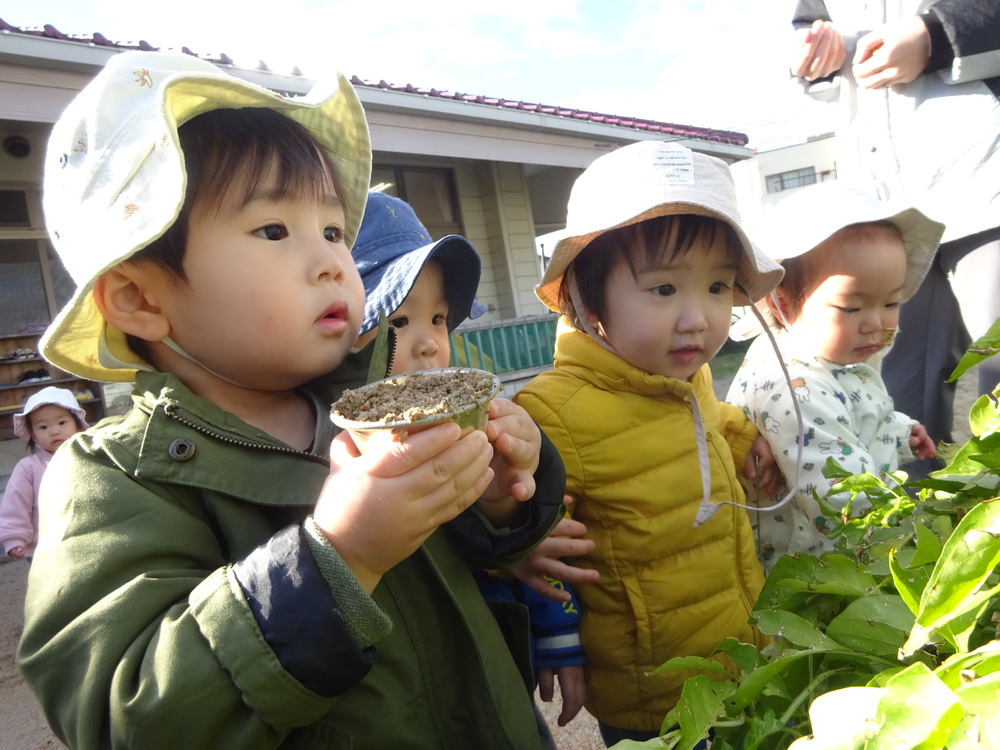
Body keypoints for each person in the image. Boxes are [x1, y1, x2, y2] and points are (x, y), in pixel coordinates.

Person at [16, 50, 567, 750]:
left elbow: (476, 555)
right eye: (274, 230)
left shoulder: (373, 403)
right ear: (139, 298)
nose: (335, 260)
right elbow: (126, 713)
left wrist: (495, 497)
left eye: (334, 230)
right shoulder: (116, 477)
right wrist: (338, 557)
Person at [513, 139, 784, 746]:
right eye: (664, 290)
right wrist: (547, 615)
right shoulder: (552, 413)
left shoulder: (689, 376)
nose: (698, 318)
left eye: (718, 288)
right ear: (587, 297)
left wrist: (744, 440)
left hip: (739, 643)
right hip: (652, 688)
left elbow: (709, 418)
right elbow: (519, 530)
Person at [350, 190, 586, 739]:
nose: (431, 343)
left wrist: (504, 495)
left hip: (489, 688)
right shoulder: (330, 444)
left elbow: (492, 540)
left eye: (438, 317)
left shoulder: (453, 422)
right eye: (397, 318)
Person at [788, 0, 1000, 471]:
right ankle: (917, 520)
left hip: (985, 175)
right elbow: (809, 23)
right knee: (906, 379)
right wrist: (816, 52)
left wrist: (936, 36)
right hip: (887, 198)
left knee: (998, 357)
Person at [727, 182, 944, 572]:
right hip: (814, 570)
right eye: (851, 307)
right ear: (783, 300)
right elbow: (841, 497)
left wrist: (898, 431)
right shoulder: (796, 387)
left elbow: (851, 421)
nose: (876, 323)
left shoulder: (828, 358)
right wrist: (923, 524)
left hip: (837, 554)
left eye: (891, 302)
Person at [0, 386, 88, 562]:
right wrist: (14, 538)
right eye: (43, 426)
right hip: (44, 548)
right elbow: (15, 505)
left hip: (86, 541)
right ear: (33, 434)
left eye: (62, 423)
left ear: (78, 425)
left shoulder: (90, 459)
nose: (54, 431)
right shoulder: (28, 468)